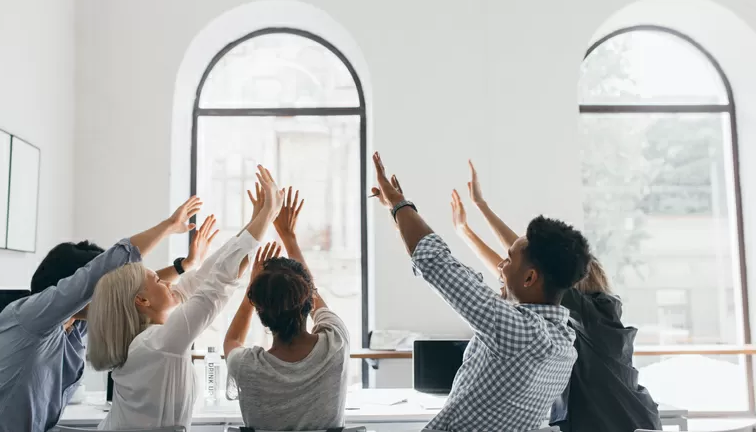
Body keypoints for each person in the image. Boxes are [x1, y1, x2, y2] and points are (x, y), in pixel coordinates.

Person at [371, 152, 590, 431]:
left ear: (530, 278)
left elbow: (438, 264)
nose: (501, 267)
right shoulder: (563, 343)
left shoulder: (521, 333)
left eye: (509, 260)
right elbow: (460, 278)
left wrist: (399, 204)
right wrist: (399, 215)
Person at [0, 196, 204, 432]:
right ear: (72, 288)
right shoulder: (30, 317)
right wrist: (168, 226)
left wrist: (183, 267)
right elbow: (108, 274)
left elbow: (140, 290)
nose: (110, 291)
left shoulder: (76, 326)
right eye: (102, 285)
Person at [451, 160, 661, 432]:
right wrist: (466, 231)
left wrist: (482, 208)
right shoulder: (579, 322)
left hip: (621, 425)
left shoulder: (595, 313)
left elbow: (531, 261)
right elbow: (515, 272)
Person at [87, 165, 282, 431]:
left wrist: (256, 222)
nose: (168, 282)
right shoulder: (156, 343)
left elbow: (204, 276)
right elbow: (217, 284)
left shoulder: (148, 340)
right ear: (142, 302)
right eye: (157, 280)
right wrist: (267, 215)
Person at [225, 187, 350, 431]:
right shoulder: (337, 343)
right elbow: (313, 293)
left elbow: (231, 339)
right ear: (307, 300)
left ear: (259, 308)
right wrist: (289, 237)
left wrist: (252, 287)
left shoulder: (246, 366)